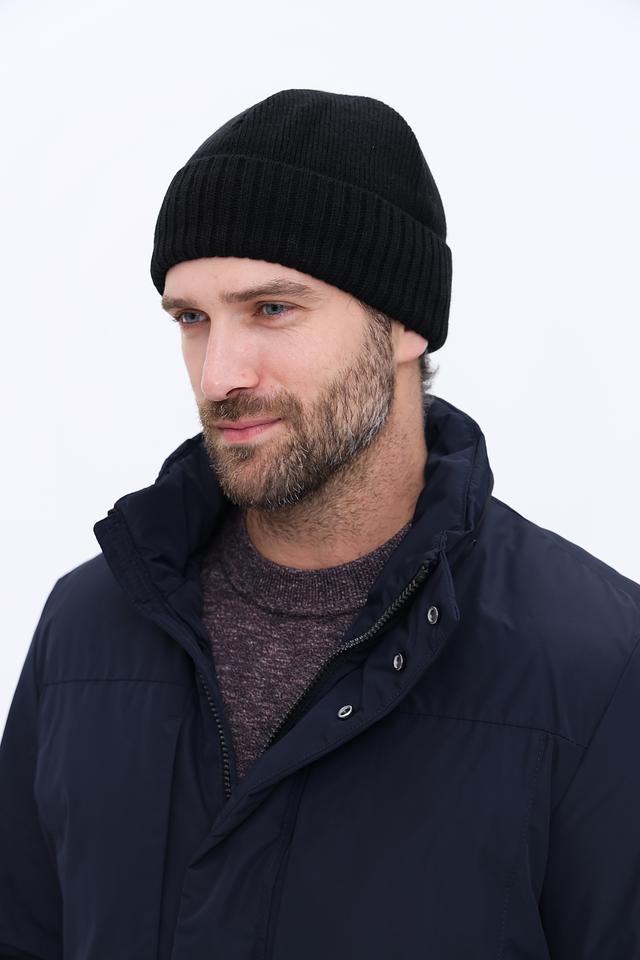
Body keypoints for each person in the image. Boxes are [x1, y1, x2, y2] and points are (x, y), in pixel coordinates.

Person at [1, 88, 638, 960]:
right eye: (192, 319)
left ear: (404, 323)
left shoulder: (597, 663)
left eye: (271, 309)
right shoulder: (86, 628)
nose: (219, 374)